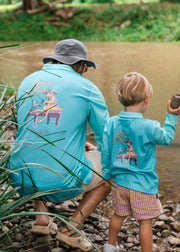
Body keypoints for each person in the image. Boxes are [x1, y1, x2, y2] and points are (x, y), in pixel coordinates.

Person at [8, 39, 110, 251]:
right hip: (60, 180)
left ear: (54, 60)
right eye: (85, 68)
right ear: (81, 65)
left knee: (32, 152)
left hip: (18, 175)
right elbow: (106, 138)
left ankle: (41, 219)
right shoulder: (87, 87)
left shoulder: (28, 80)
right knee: (109, 172)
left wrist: (78, 144)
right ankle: (71, 229)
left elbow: (31, 131)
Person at [101, 72, 180, 252]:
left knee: (118, 215)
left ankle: (110, 245)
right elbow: (167, 138)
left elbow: (105, 151)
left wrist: (106, 175)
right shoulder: (150, 126)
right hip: (143, 185)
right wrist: (172, 116)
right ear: (147, 99)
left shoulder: (111, 123)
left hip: (119, 183)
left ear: (120, 98)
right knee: (145, 222)